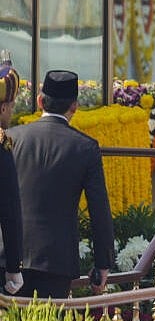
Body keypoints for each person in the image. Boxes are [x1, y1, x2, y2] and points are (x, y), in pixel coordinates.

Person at [8, 70, 114, 298]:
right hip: (56, 262)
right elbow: (99, 210)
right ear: (74, 106)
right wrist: (103, 264)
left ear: (39, 101)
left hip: (7, 257)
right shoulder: (85, 147)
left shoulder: (11, 137)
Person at [0, 64, 23, 295]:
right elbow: (9, 210)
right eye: (12, 106)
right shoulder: (1, 145)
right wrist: (14, 267)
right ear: (3, 107)